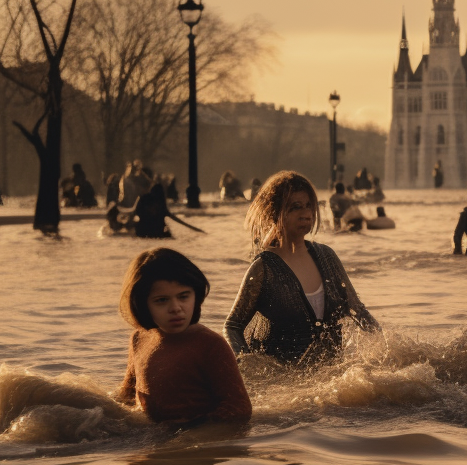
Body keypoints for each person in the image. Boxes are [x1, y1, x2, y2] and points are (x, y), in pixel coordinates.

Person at [224, 171, 379, 365]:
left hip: (331, 380)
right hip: (282, 383)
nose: (305, 214)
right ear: (275, 213)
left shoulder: (327, 257)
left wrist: (385, 349)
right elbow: (233, 325)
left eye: (308, 206)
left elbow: (357, 310)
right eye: (295, 207)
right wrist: (244, 363)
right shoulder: (264, 268)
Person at [113, 248, 251, 425]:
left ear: (196, 295)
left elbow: (239, 409)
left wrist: (190, 430)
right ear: (142, 304)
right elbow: (127, 396)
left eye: (183, 297)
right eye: (162, 300)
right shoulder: (139, 338)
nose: (176, 308)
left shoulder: (210, 344)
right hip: (153, 438)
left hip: (192, 443)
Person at [129, 184, 203, 238]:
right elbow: (135, 214)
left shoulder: (147, 200)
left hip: (147, 231)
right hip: (150, 231)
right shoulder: (147, 200)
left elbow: (134, 214)